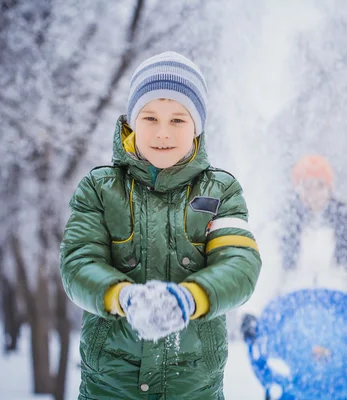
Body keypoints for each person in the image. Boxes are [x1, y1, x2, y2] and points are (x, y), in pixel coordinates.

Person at [60, 51, 261, 400]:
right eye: (150, 117)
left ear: (196, 126)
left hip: (194, 386)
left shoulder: (222, 191)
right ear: (133, 121)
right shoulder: (99, 189)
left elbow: (240, 266)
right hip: (110, 386)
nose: (163, 133)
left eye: (178, 120)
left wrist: (191, 298)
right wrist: (122, 296)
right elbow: (78, 263)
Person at [241, 155, 347, 351]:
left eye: (320, 186)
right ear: (297, 190)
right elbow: (267, 277)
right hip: (293, 329)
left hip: (337, 329)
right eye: (307, 187)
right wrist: (250, 313)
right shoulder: (281, 230)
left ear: (330, 189)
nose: (314, 193)